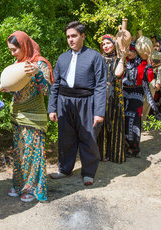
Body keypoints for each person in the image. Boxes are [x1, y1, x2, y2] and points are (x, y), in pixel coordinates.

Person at [48, 21, 107, 185]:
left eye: (74, 36)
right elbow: (56, 84)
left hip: (86, 102)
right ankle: (65, 169)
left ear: (83, 36)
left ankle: (88, 173)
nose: (70, 40)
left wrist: (99, 112)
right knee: (66, 138)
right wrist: (52, 107)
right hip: (64, 102)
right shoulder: (62, 58)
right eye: (68, 37)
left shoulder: (94, 56)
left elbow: (101, 85)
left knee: (87, 138)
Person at [6, 31, 54, 202]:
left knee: (32, 154)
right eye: (10, 50)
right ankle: (20, 185)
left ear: (24, 46)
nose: (13, 53)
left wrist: (38, 74)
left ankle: (32, 188)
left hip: (34, 115)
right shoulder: (18, 63)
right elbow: (16, 86)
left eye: (14, 50)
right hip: (17, 113)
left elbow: (48, 90)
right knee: (20, 152)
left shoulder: (39, 64)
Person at [123, 39, 156, 157]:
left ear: (137, 52)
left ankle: (134, 148)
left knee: (133, 119)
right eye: (128, 50)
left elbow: (149, 77)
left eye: (131, 50)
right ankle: (124, 146)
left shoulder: (143, 63)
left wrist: (148, 63)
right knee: (123, 120)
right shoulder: (124, 62)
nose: (129, 52)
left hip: (136, 93)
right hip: (124, 92)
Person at [98, 34, 126, 163]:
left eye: (108, 43)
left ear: (114, 44)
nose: (106, 46)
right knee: (101, 125)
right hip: (101, 94)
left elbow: (118, 73)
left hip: (115, 95)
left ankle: (115, 154)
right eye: (103, 44)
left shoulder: (119, 60)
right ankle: (101, 154)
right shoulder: (99, 59)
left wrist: (122, 57)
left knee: (115, 124)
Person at [142, 50, 161, 121]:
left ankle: (143, 119)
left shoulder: (156, 54)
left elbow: (159, 69)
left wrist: (158, 82)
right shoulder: (136, 52)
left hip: (151, 80)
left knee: (148, 101)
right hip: (139, 80)